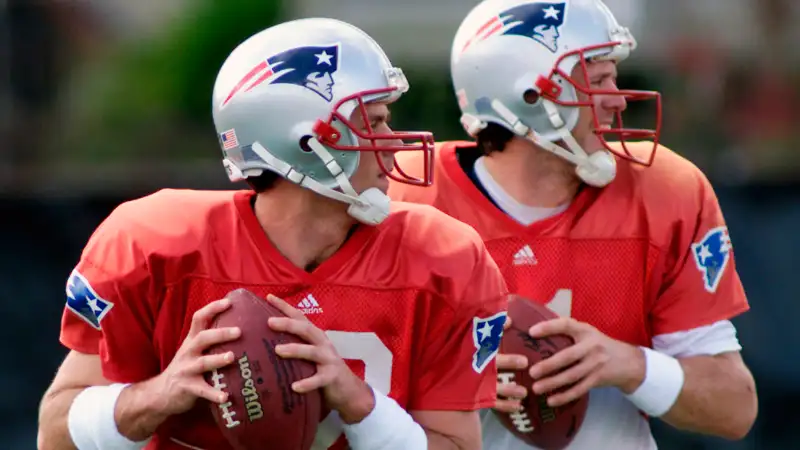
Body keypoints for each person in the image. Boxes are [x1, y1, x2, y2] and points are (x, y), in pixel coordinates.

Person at [37, 18, 509, 450]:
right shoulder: (154, 245)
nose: (394, 144)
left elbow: (458, 443)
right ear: (308, 143)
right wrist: (157, 396)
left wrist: (360, 405)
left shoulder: (444, 257)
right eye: (378, 121)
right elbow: (54, 434)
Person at [389, 0, 758, 448]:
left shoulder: (662, 191)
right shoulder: (405, 199)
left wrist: (630, 364)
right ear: (529, 97)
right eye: (598, 81)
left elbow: (734, 407)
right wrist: (447, 379)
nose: (617, 100)